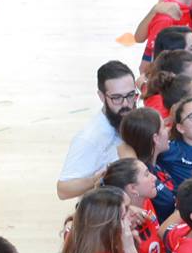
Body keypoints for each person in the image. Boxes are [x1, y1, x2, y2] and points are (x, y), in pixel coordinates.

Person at [57, 62, 141, 200]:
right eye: (117, 98)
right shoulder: (90, 138)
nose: (126, 103)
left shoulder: (129, 118)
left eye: (131, 95)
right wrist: (95, 180)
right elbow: (63, 189)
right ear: (101, 97)